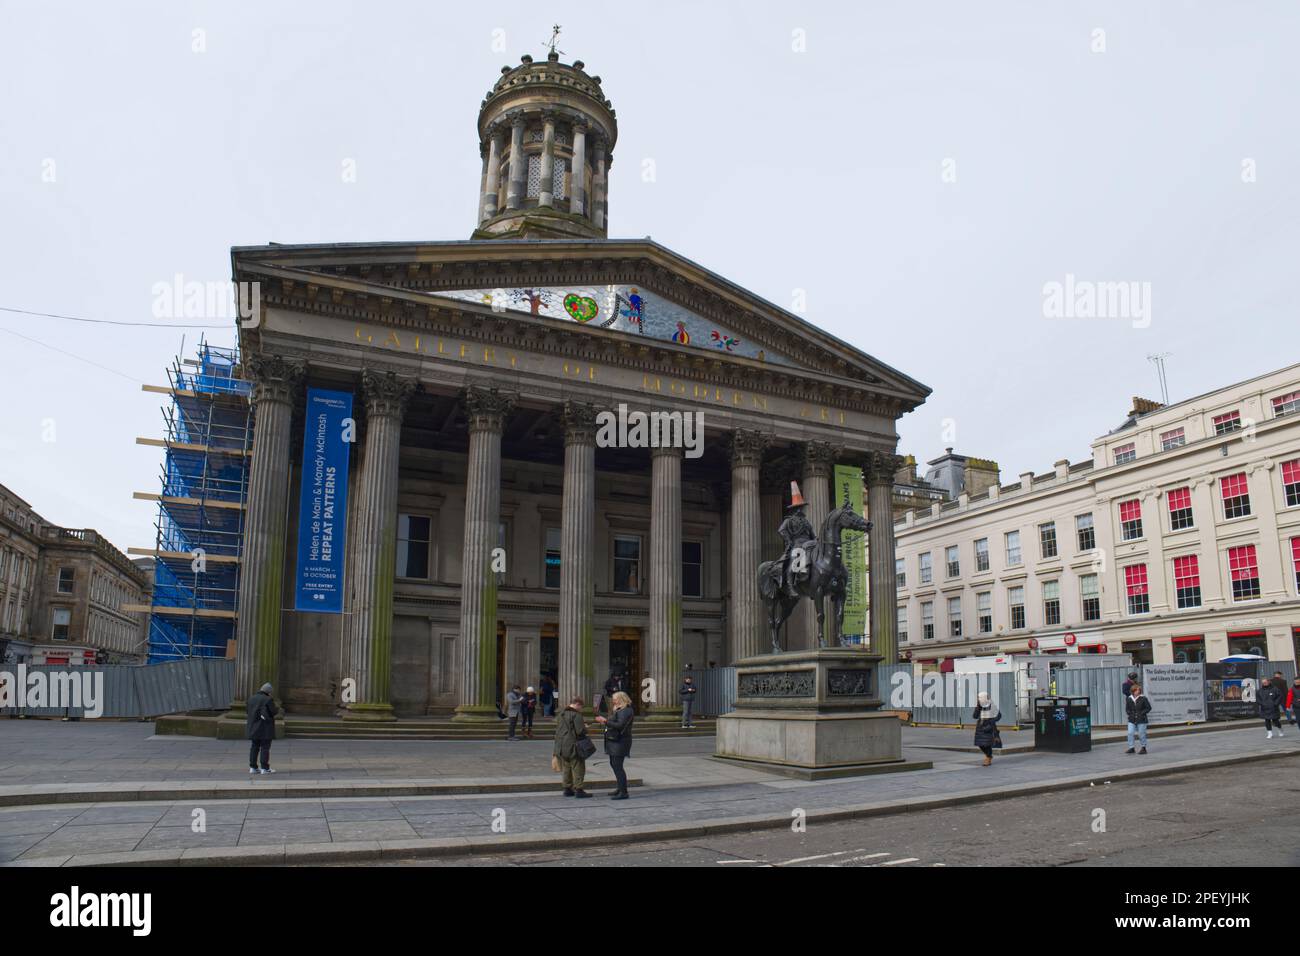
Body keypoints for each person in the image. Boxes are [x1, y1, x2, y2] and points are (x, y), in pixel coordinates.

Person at [778, 481, 815, 599]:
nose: (801, 510)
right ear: (794, 509)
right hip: (797, 544)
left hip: (809, 543)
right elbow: (781, 530)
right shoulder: (789, 520)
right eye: (799, 507)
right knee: (796, 558)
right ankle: (790, 585)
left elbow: (812, 535)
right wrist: (789, 541)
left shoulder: (806, 521)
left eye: (801, 507)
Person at [596, 690, 634, 800]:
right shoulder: (619, 710)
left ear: (621, 699)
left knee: (618, 766)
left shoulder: (626, 710)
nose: (613, 701)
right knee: (614, 764)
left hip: (620, 741)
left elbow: (620, 725)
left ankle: (623, 792)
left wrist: (605, 721)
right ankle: (620, 788)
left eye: (615, 699)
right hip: (615, 741)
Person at [553, 696, 592, 798]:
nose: (581, 709)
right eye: (581, 707)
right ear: (577, 704)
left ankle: (567, 789)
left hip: (561, 745)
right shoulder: (576, 715)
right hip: (573, 744)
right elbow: (580, 731)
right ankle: (579, 789)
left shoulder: (561, 714)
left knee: (566, 767)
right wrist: (585, 728)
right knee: (578, 766)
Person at [245, 682, 278, 775]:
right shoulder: (268, 699)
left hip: (253, 727)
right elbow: (273, 712)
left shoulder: (251, 698)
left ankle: (253, 767)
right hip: (265, 728)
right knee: (265, 748)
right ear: (268, 692)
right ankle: (264, 768)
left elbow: (247, 711)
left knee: (254, 747)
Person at [972, 691, 1001, 766]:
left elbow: (999, 715)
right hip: (980, 727)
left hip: (989, 726)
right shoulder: (979, 706)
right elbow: (975, 716)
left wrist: (991, 721)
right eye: (978, 697)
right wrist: (978, 707)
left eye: (980, 697)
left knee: (987, 744)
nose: (978, 699)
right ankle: (989, 756)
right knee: (980, 744)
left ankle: (988, 758)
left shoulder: (992, 705)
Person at [1125, 682, 1151, 754]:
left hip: (1141, 719)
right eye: (1136, 690)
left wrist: (1142, 713)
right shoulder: (1129, 698)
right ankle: (1131, 748)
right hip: (1132, 719)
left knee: (1141, 734)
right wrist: (1129, 714)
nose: (1138, 691)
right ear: (1133, 691)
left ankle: (1143, 747)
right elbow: (1127, 709)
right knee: (1130, 733)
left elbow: (1148, 708)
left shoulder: (1143, 698)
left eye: (1139, 690)